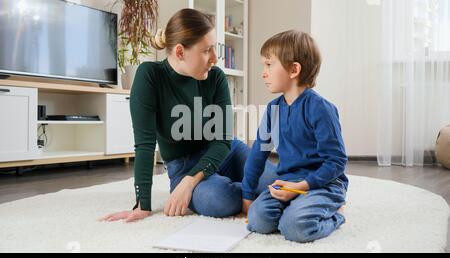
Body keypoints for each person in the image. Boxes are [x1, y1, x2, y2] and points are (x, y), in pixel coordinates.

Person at [100, 8, 275, 223]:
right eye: (206, 50)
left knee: (275, 181)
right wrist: (142, 204)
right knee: (220, 200)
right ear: (181, 52)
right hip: (183, 166)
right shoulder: (150, 76)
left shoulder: (216, 77)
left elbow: (222, 139)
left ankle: (259, 190)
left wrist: (191, 183)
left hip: (224, 151)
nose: (214, 58)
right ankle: (256, 192)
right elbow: (145, 145)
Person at [241, 30, 348, 243]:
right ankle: (296, 207)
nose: (263, 72)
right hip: (288, 182)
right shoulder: (273, 110)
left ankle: (337, 214)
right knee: (258, 220)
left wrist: (302, 188)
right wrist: (247, 194)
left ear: (294, 69)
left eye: (269, 65)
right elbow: (258, 154)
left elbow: (336, 161)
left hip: (323, 184)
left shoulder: (321, 109)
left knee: (294, 228)